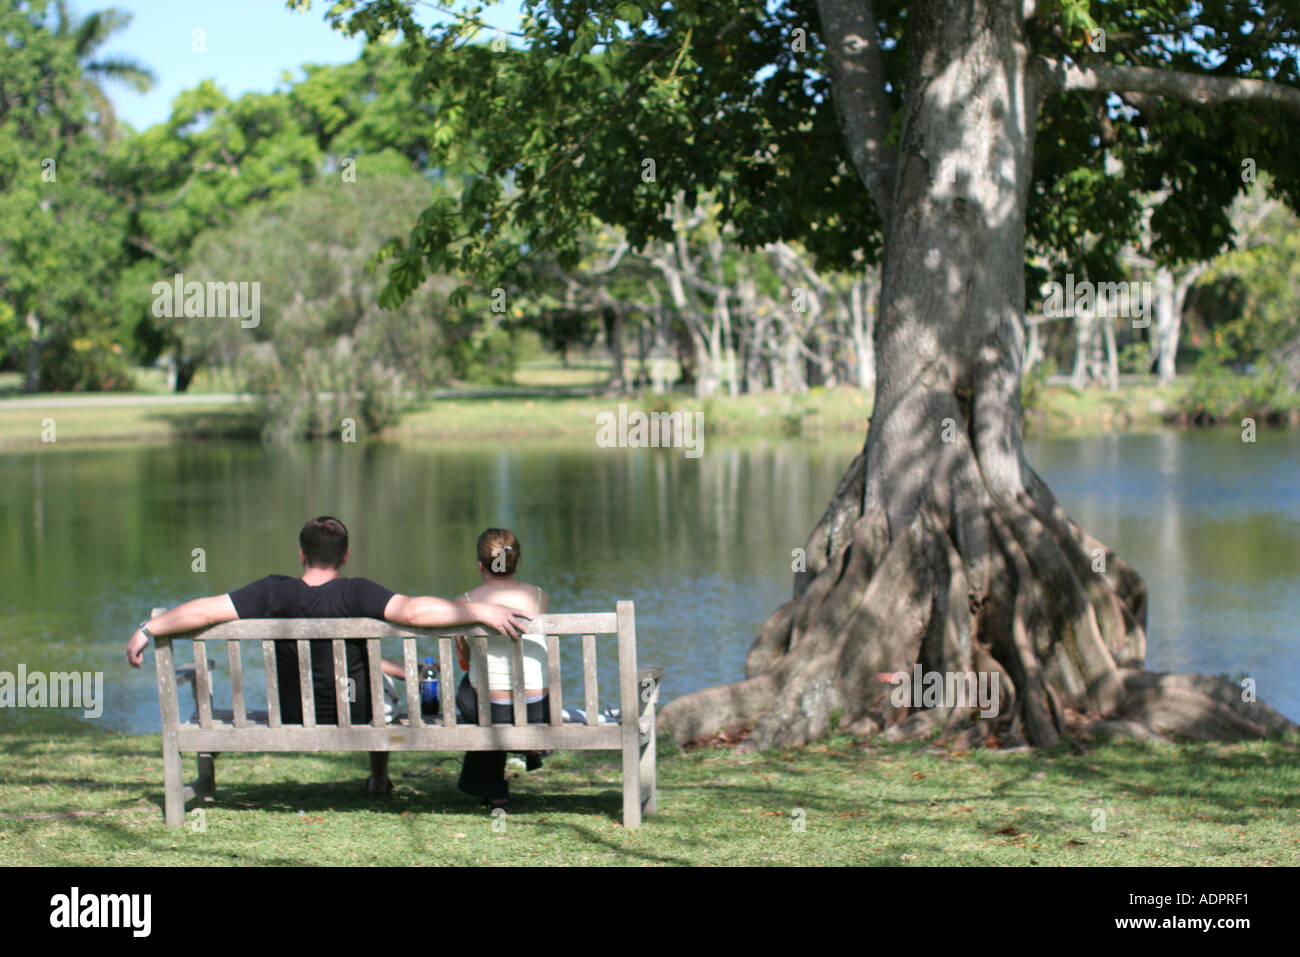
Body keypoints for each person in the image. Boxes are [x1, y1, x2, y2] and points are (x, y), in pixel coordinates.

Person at [125, 516, 531, 795]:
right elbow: (416, 611)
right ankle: (377, 778)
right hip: (357, 712)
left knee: (372, 677)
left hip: (292, 714)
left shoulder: (272, 591)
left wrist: (149, 627)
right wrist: (478, 610)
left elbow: (205, 609)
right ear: (345, 556)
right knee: (375, 682)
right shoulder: (357, 591)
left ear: (302, 554)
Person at [453, 527, 549, 811]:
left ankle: (493, 791)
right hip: (537, 708)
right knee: (492, 698)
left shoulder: (464, 603)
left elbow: (464, 657)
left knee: (478, 695)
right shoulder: (539, 596)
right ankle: (528, 748)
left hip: (492, 709)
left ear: (480, 565)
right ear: (516, 561)